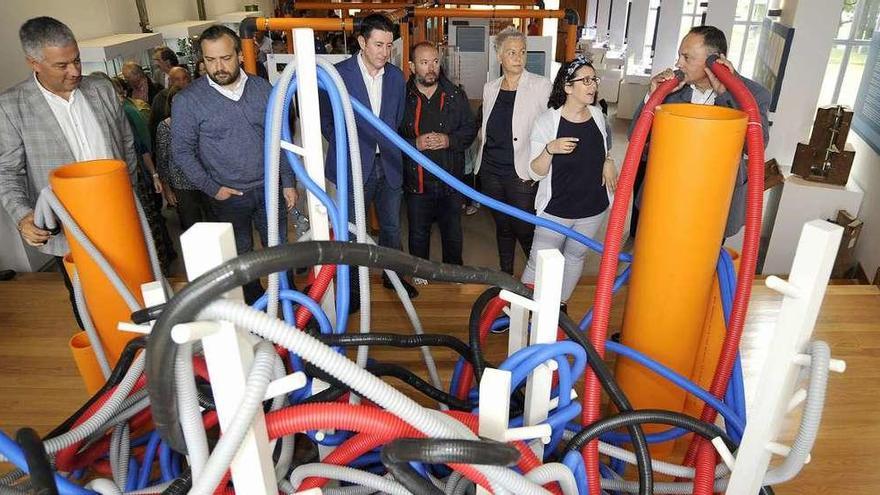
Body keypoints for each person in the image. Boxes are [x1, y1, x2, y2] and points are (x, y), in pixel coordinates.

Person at [0, 16, 138, 328]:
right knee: (88, 304)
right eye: (62, 65)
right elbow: (7, 172)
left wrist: (134, 191)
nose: (75, 71)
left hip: (121, 219)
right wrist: (23, 215)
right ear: (33, 63)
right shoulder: (11, 106)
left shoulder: (101, 89)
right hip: (67, 231)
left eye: (76, 60)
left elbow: (126, 144)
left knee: (134, 290)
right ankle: (112, 368)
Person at [171, 25, 297, 304]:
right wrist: (213, 189)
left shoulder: (262, 89)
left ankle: (289, 303)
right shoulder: (188, 101)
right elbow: (181, 152)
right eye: (210, 60)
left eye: (225, 58)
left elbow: (280, 139)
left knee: (280, 251)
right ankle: (255, 306)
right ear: (202, 60)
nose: (218, 67)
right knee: (241, 257)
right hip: (228, 197)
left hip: (269, 189)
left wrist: (287, 181)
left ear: (240, 55)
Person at [629, 25, 771, 240]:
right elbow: (636, 137)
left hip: (715, 204)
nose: (678, 63)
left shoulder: (754, 94)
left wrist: (726, 94)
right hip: (666, 196)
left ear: (714, 60)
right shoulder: (671, 89)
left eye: (687, 57)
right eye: (679, 56)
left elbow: (755, 147)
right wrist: (652, 96)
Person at [319, 13, 418, 298]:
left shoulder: (398, 77)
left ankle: (393, 278)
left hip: (387, 164)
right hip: (352, 166)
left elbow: (396, 119)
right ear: (362, 42)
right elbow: (327, 120)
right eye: (378, 45)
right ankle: (351, 288)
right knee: (351, 230)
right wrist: (348, 146)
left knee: (391, 227)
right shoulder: (337, 75)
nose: (385, 52)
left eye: (389, 46)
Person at [522, 56, 616, 310]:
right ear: (567, 87)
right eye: (585, 80)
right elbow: (535, 172)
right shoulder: (547, 123)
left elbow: (604, 148)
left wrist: (608, 160)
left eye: (593, 79)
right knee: (538, 262)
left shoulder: (597, 115)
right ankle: (519, 311)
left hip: (592, 209)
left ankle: (559, 306)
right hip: (556, 211)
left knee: (576, 257)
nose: (592, 85)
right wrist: (549, 149)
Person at [475, 27, 552, 275]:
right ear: (499, 56)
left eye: (522, 52)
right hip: (491, 172)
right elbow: (486, 128)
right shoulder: (490, 88)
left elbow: (554, 124)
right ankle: (506, 277)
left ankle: (539, 283)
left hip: (522, 173)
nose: (518, 57)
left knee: (525, 229)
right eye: (511, 52)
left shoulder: (540, 86)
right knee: (503, 227)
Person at [400, 41, 477, 267]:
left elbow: (470, 129)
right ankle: (420, 273)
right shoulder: (401, 98)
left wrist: (448, 140)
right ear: (412, 66)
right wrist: (415, 143)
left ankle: (453, 275)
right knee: (418, 234)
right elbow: (389, 136)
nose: (431, 68)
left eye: (435, 61)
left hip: (451, 182)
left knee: (452, 234)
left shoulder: (455, 95)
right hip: (417, 182)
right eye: (424, 63)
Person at [155, 87, 211, 231]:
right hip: (182, 185)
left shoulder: (203, 121)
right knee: (193, 229)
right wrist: (167, 189)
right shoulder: (165, 127)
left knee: (216, 225)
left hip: (208, 180)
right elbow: (162, 160)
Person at [149, 66, 191, 146]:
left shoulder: (197, 96)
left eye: (185, 78)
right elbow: (154, 126)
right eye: (177, 79)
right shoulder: (160, 99)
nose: (182, 82)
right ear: (170, 81)